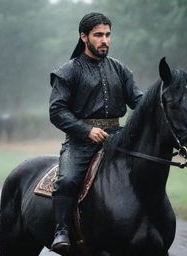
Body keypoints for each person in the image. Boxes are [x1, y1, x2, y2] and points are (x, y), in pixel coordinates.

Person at [49, 12, 143, 254]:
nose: (105, 40)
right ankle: (61, 230)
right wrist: (86, 130)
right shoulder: (68, 71)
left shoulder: (120, 69)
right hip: (80, 142)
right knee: (67, 180)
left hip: (118, 138)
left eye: (108, 35)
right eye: (98, 35)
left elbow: (139, 102)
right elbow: (57, 111)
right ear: (84, 37)